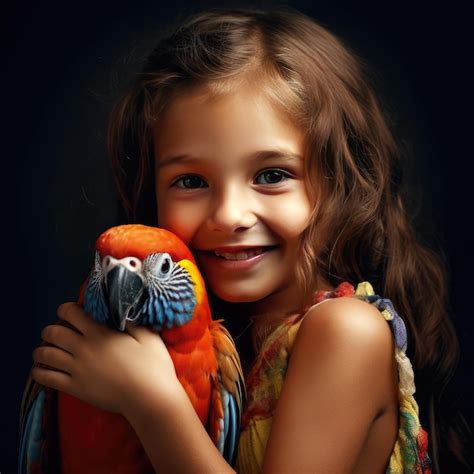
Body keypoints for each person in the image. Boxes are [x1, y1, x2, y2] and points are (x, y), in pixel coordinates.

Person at [30, 6, 468, 473]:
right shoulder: (225, 342)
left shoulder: (347, 331)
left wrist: (149, 400)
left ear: (338, 182)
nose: (229, 215)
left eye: (272, 175)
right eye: (192, 181)